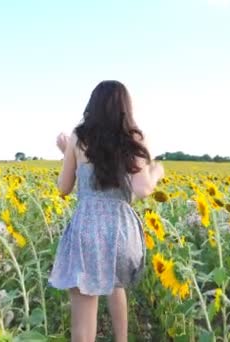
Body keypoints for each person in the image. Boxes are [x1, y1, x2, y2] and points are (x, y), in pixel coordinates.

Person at [48, 80, 165, 342]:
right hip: (121, 235)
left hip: (87, 232)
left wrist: (68, 154)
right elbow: (143, 188)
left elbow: (64, 188)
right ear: (126, 107)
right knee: (115, 285)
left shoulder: (79, 136)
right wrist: (156, 171)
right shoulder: (133, 137)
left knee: (82, 328)